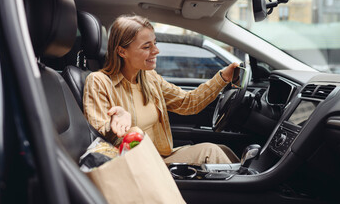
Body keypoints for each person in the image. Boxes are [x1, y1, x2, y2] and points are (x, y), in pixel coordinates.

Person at [83, 14, 241, 165]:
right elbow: (97, 135)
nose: (156, 51)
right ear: (122, 51)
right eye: (147, 46)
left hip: (160, 157)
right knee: (211, 152)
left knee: (223, 151)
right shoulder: (98, 82)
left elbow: (188, 103)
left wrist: (223, 78)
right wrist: (113, 124)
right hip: (136, 165)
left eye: (155, 43)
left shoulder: (149, 77)